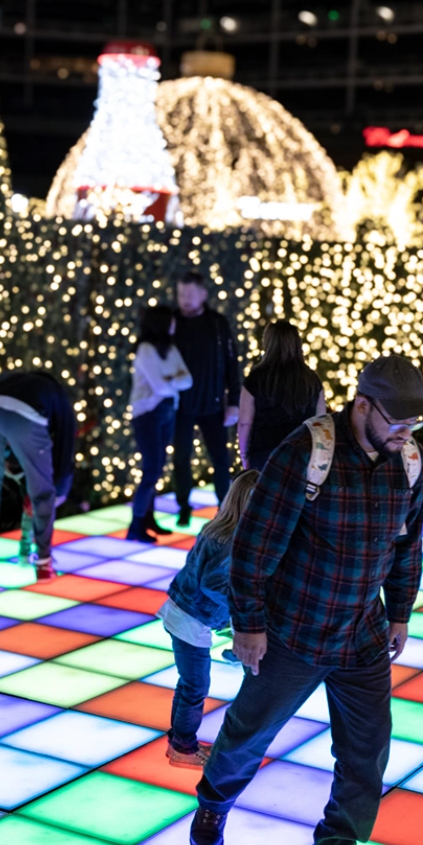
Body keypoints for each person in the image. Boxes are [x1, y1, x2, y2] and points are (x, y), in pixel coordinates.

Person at [191, 355, 423, 845]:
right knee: (250, 732)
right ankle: (214, 804)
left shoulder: (409, 460)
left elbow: (406, 544)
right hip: (294, 630)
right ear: (362, 406)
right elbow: (254, 545)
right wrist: (248, 626)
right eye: (396, 420)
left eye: (414, 422)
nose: (406, 432)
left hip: (363, 635)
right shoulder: (308, 451)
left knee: (367, 747)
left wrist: (399, 612)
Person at [158, 469, 259, 767]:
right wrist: (244, 605)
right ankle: (182, 748)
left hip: (182, 611)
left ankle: (181, 741)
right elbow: (213, 585)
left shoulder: (219, 527)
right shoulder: (234, 539)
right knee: (196, 686)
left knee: (189, 684)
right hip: (191, 619)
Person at [0, 369, 75, 581]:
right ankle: (44, 565)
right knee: (42, 493)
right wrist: (59, 482)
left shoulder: (9, 381)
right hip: (27, 415)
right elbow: (66, 444)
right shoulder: (58, 395)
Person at [169, 271, 242, 527]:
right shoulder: (172, 322)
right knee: (180, 458)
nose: (185, 300)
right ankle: (183, 507)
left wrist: (234, 401)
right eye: (181, 294)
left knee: (220, 459)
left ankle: (225, 511)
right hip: (181, 407)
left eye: (189, 294)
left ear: (202, 295)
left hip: (212, 405)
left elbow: (233, 363)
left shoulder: (217, 324)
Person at [128, 305, 193, 543]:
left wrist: (171, 380)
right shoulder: (145, 350)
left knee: (157, 468)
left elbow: (188, 379)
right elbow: (161, 386)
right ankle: (135, 525)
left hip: (167, 412)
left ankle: (148, 519)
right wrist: (172, 380)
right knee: (151, 469)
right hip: (148, 413)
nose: (175, 325)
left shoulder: (171, 349)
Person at [237, 320, 326, 472]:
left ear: (268, 343)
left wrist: (244, 455)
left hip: (265, 454)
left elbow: (245, 423)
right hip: (302, 455)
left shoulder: (256, 378)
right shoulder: (312, 379)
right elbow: (321, 422)